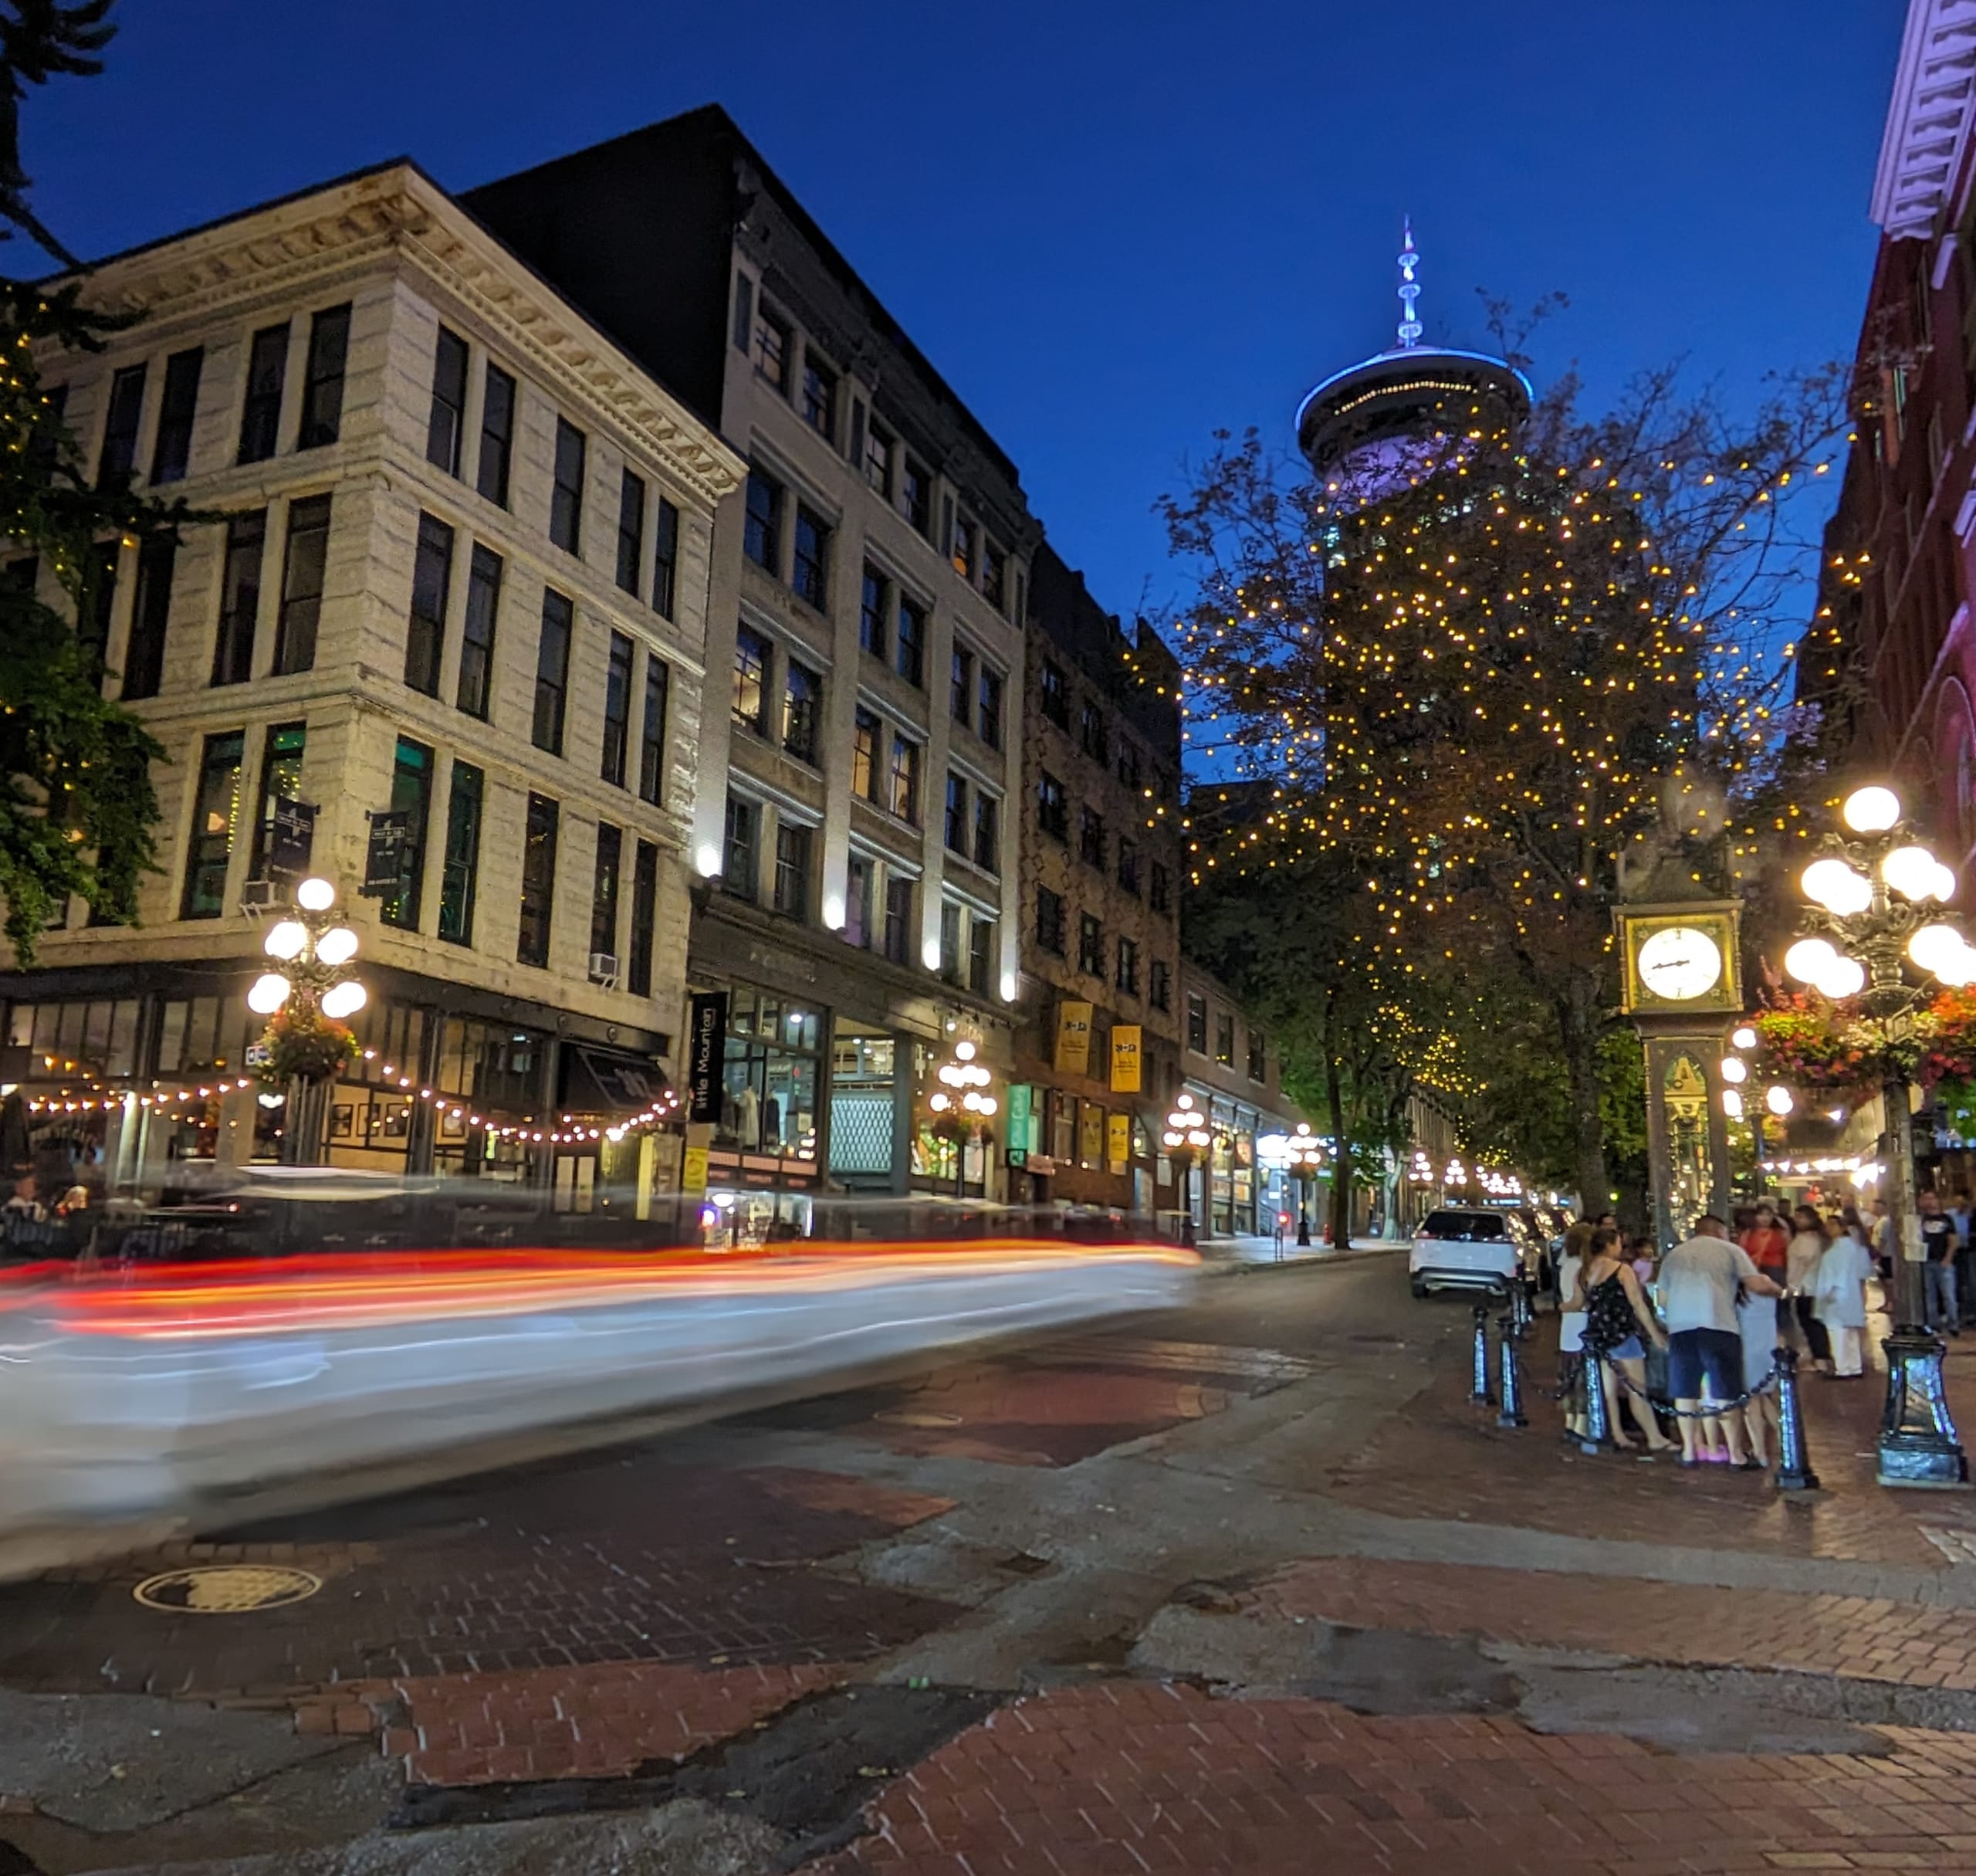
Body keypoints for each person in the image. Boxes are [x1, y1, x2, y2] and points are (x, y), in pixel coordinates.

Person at [1659, 1214, 1783, 1468]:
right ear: (1718, 1231)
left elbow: (1661, 1297)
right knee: (1726, 1391)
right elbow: (1755, 1284)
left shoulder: (1675, 1255)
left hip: (1681, 1328)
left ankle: (1689, 1452)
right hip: (1718, 1324)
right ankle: (1736, 1454)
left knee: (1686, 1391)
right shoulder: (1730, 1250)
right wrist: (1780, 1291)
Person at [1575, 1226, 1675, 1453]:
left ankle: (1617, 1434)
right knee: (1637, 1388)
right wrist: (1654, 1333)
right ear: (1610, 1245)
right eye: (1619, 1243)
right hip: (1622, 1333)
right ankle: (1654, 1437)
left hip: (1598, 1334)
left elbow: (1578, 1302)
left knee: (1609, 1390)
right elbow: (1638, 1304)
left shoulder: (1586, 1270)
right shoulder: (1622, 1270)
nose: (1621, 1247)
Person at [1815, 1218, 1874, 1377]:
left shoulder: (1833, 1252)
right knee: (1851, 1333)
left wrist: (1824, 1295)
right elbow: (1864, 1273)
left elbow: (1828, 1278)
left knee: (1838, 1334)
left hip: (1835, 1296)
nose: (1829, 1229)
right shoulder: (1857, 1249)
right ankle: (1855, 1366)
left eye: (1833, 1225)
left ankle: (1842, 1368)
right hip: (1852, 1296)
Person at [1737, 1280, 1783, 1469]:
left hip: (1747, 1349)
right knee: (1764, 1398)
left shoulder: (1736, 1291)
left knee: (1752, 1400)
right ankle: (1786, 1440)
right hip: (1767, 1347)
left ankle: (1760, 1452)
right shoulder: (1768, 1288)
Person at [1555, 1221, 1593, 1442]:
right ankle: (1581, 1424)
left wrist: (1564, 1307)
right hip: (1583, 1322)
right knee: (1583, 1377)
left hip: (1568, 1327)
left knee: (1568, 1374)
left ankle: (1570, 1420)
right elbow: (1579, 1301)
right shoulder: (1584, 1267)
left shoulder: (1567, 1264)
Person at [1785, 1205, 1834, 1375]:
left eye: (1802, 1217)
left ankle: (1820, 1358)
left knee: (1810, 1323)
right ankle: (1822, 1357)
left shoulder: (1807, 1240)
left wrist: (1793, 1285)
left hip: (1806, 1287)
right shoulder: (1819, 1239)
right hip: (1814, 1286)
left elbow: (1801, 1265)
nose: (1798, 1220)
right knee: (1814, 1323)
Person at [1920, 1188, 1960, 1336]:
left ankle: (1953, 1324)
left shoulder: (1946, 1219)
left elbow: (1953, 1240)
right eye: (1926, 1199)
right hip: (1927, 1261)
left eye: (1932, 1198)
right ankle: (1933, 1324)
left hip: (1943, 1261)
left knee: (1948, 1294)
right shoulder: (1921, 1220)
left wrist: (1948, 1258)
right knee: (1930, 1295)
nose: (1929, 1202)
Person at [1739, 1202, 1790, 1292]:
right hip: (1754, 1270)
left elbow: (1788, 1253)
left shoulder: (1781, 1233)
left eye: (1768, 1215)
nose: (1765, 1218)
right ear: (1755, 1216)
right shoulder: (1748, 1233)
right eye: (1761, 1214)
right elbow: (1741, 1253)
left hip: (1776, 1271)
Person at [1870, 1197, 1896, 1283]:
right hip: (1881, 1255)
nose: (1872, 1209)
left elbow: (1882, 1240)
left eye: (1874, 1207)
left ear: (1880, 1207)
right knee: (1883, 1282)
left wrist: (1876, 1256)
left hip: (1885, 1256)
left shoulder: (1885, 1221)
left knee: (1888, 1282)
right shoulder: (1879, 1221)